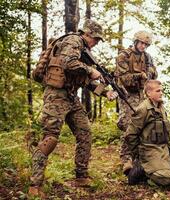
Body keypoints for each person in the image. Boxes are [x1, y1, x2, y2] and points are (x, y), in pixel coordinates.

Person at [28, 19, 118, 197]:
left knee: (85, 132)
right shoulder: (73, 41)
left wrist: (105, 92)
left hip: (70, 97)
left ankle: (81, 176)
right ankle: (35, 185)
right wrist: (91, 70)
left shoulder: (83, 50)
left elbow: (84, 81)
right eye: (96, 39)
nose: (97, 43)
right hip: (56, 96)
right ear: (87, 34)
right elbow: (68, 63)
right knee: (50, 139)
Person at [124, 80, 170, 186]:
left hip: (166, 150)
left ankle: (163, 170)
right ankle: (143, 171)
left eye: (162, 90)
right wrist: (139, 154)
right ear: (149, 93)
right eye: (158, 90)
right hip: (150, 152)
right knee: (168, 179)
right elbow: (130, 134)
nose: (161, 93)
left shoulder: (161, 107)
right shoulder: (143, 109)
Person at [114, 31, 158, 174]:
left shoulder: (147, 57)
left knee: (143, 125)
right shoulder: (124, 56)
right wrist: (141, 75)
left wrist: (150, 73)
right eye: (141, 43)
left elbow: (154, 75)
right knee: (128, 125)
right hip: (127, 94)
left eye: (146, 44)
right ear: (135, 41)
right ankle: (126, 159)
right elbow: (124, 78)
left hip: (141, 94)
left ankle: (139, 158)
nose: (143, 46)